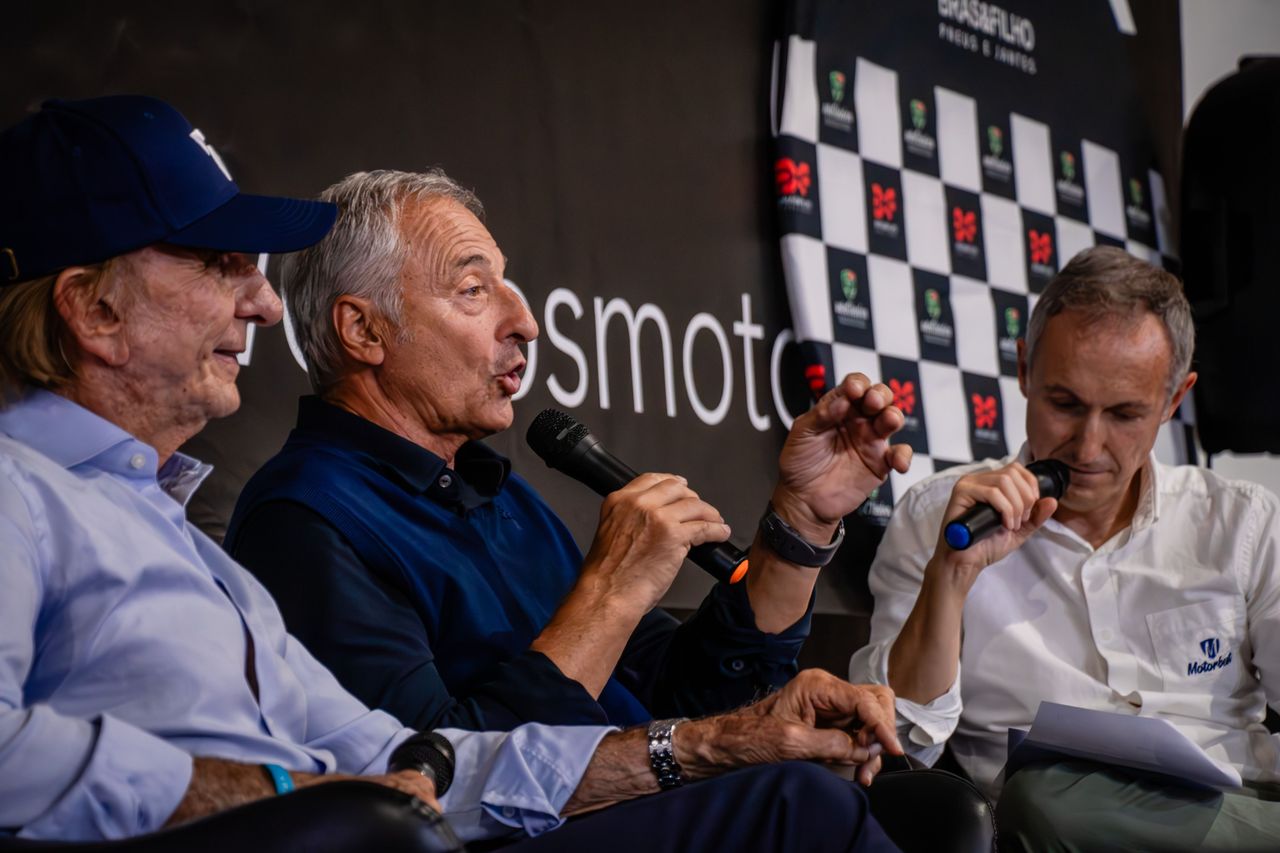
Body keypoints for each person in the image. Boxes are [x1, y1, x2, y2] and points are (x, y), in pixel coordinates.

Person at [0, 95, 906, 850]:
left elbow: (413, 764)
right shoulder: (276, 516)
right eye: (219, 262)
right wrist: (276, 790)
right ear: (93, 310)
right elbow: (391, 784)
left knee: (886, 799)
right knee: (798, 807)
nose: (262, 301)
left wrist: (729, 720)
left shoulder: (196, 540)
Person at [224, 168, 913, 732]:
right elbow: (430, 783)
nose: (525, 321)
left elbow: (689, 697)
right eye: (473, 290)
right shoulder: (303, 520)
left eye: (508, 284)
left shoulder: (500, 495)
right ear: (364, 330)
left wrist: (800, 522)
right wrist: (609, 594)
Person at [849, 245, 1280, 851]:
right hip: (1055, 829)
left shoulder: (1244, 522)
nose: (1087, 446)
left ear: (1174, 401)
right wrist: (951, 576)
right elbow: (894, 745)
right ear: (1025, 370)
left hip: (1240, 810)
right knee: (1046, 799)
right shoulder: (938, 518)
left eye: (1125, 414)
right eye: (1065, 404)